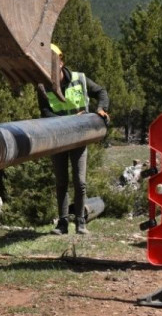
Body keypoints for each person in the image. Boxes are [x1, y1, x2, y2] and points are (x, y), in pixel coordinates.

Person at [38, 44, 109, 235]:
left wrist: (101, 108)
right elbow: (45, 113)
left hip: (78, 139)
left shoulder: (80, 79)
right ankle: (62, 224)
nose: (51, 66)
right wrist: (69, 121)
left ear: (62, 61)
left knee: (80, 181)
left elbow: (101, 92)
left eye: (54, 61)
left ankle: (80, 222)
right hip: (58, 140)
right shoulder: (43, 86)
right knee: (61, 182)